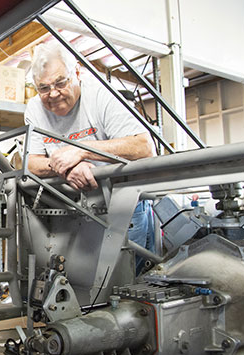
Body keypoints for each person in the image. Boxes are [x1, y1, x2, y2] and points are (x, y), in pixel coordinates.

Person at [24, 41, 154, 274]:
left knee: (127, 278)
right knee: (85, 279)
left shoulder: (101, 95)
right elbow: (31, 163)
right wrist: (66, 167)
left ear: (76, 72)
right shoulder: (34, 108)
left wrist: (82, 150)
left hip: (121, 205)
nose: (53, 93)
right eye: (43, 88)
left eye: (60, 82)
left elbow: (143, 147)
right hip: (75, 207)